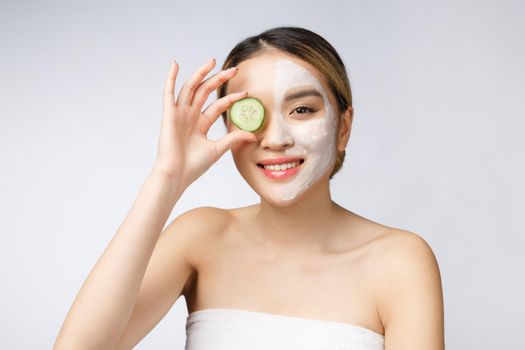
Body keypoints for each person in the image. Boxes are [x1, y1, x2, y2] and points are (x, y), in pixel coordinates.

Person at [53, 26, 444, 350]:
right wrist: (167, 178)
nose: (275, 139)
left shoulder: (400, 262)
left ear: (343, 127)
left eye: (301, 109)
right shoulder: (200, 237)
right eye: (252, 113)